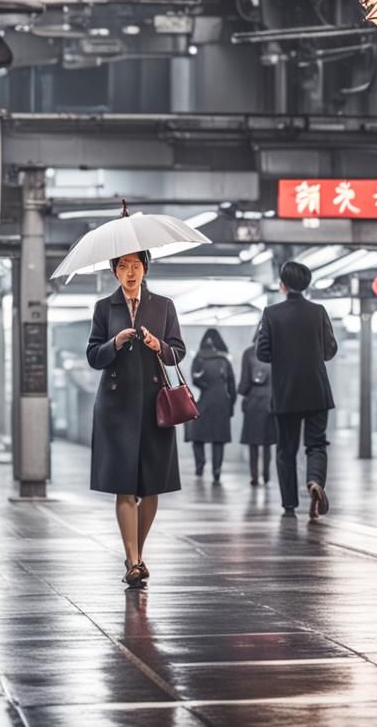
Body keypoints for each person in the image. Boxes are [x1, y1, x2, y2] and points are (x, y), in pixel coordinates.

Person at [87, 251, 185, 589]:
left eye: (136, 266)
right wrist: (114, 342)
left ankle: (137, 556)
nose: (130, 273)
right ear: (114, 271)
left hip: (155, 404)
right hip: (115, 407)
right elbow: (93, 356)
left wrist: (159, 345)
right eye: (123, 266)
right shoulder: (105, 307)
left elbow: (177, 352)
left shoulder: (163, 306)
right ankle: (133, 559)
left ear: (145, 268)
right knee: (124, 485)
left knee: (152, 485)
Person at [256, 260, 338, 520]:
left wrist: (284, 356)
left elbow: (262, 352)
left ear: (282, 286)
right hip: (316, 389)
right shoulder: (318, 311)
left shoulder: (271, 313)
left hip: (286, 392)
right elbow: (330, 350)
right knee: (316, 444)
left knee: (286, 450)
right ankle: (315, 482)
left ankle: (289, 504)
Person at [185, 329, 236, 484]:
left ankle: (199, 466)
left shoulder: (198, 359)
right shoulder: (224, 361)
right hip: (221, 402)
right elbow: (232, 387)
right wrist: (230, 406)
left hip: (202, 401)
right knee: (218, 438)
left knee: (197, 436)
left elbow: (194, 381)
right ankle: (216, 470)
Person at [238, 331, 277, 485]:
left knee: (253, 442)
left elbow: (244, 382)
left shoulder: (248, 353)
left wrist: (241, 392)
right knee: (267, 442)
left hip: (253, 401)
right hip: (270, 401)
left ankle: (254, 476)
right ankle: (267, 475)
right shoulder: (276, 352)